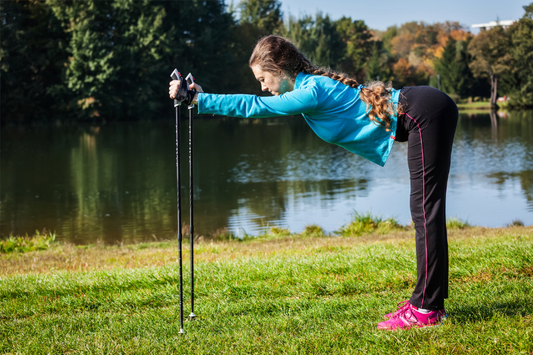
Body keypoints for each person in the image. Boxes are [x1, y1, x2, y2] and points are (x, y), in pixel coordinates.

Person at [169, 35, 458, 331]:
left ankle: (426, 309)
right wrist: (201, 98)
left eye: (263, 78)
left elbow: (255, 106)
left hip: (423, 112)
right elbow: (255, 101)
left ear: (279, 70)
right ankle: (427, 303)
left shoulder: (312, 91)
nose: (263, 86)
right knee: (426, 211)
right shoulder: (310, 86)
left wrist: (199, 100)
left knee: (425, 211)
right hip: (424, 109)